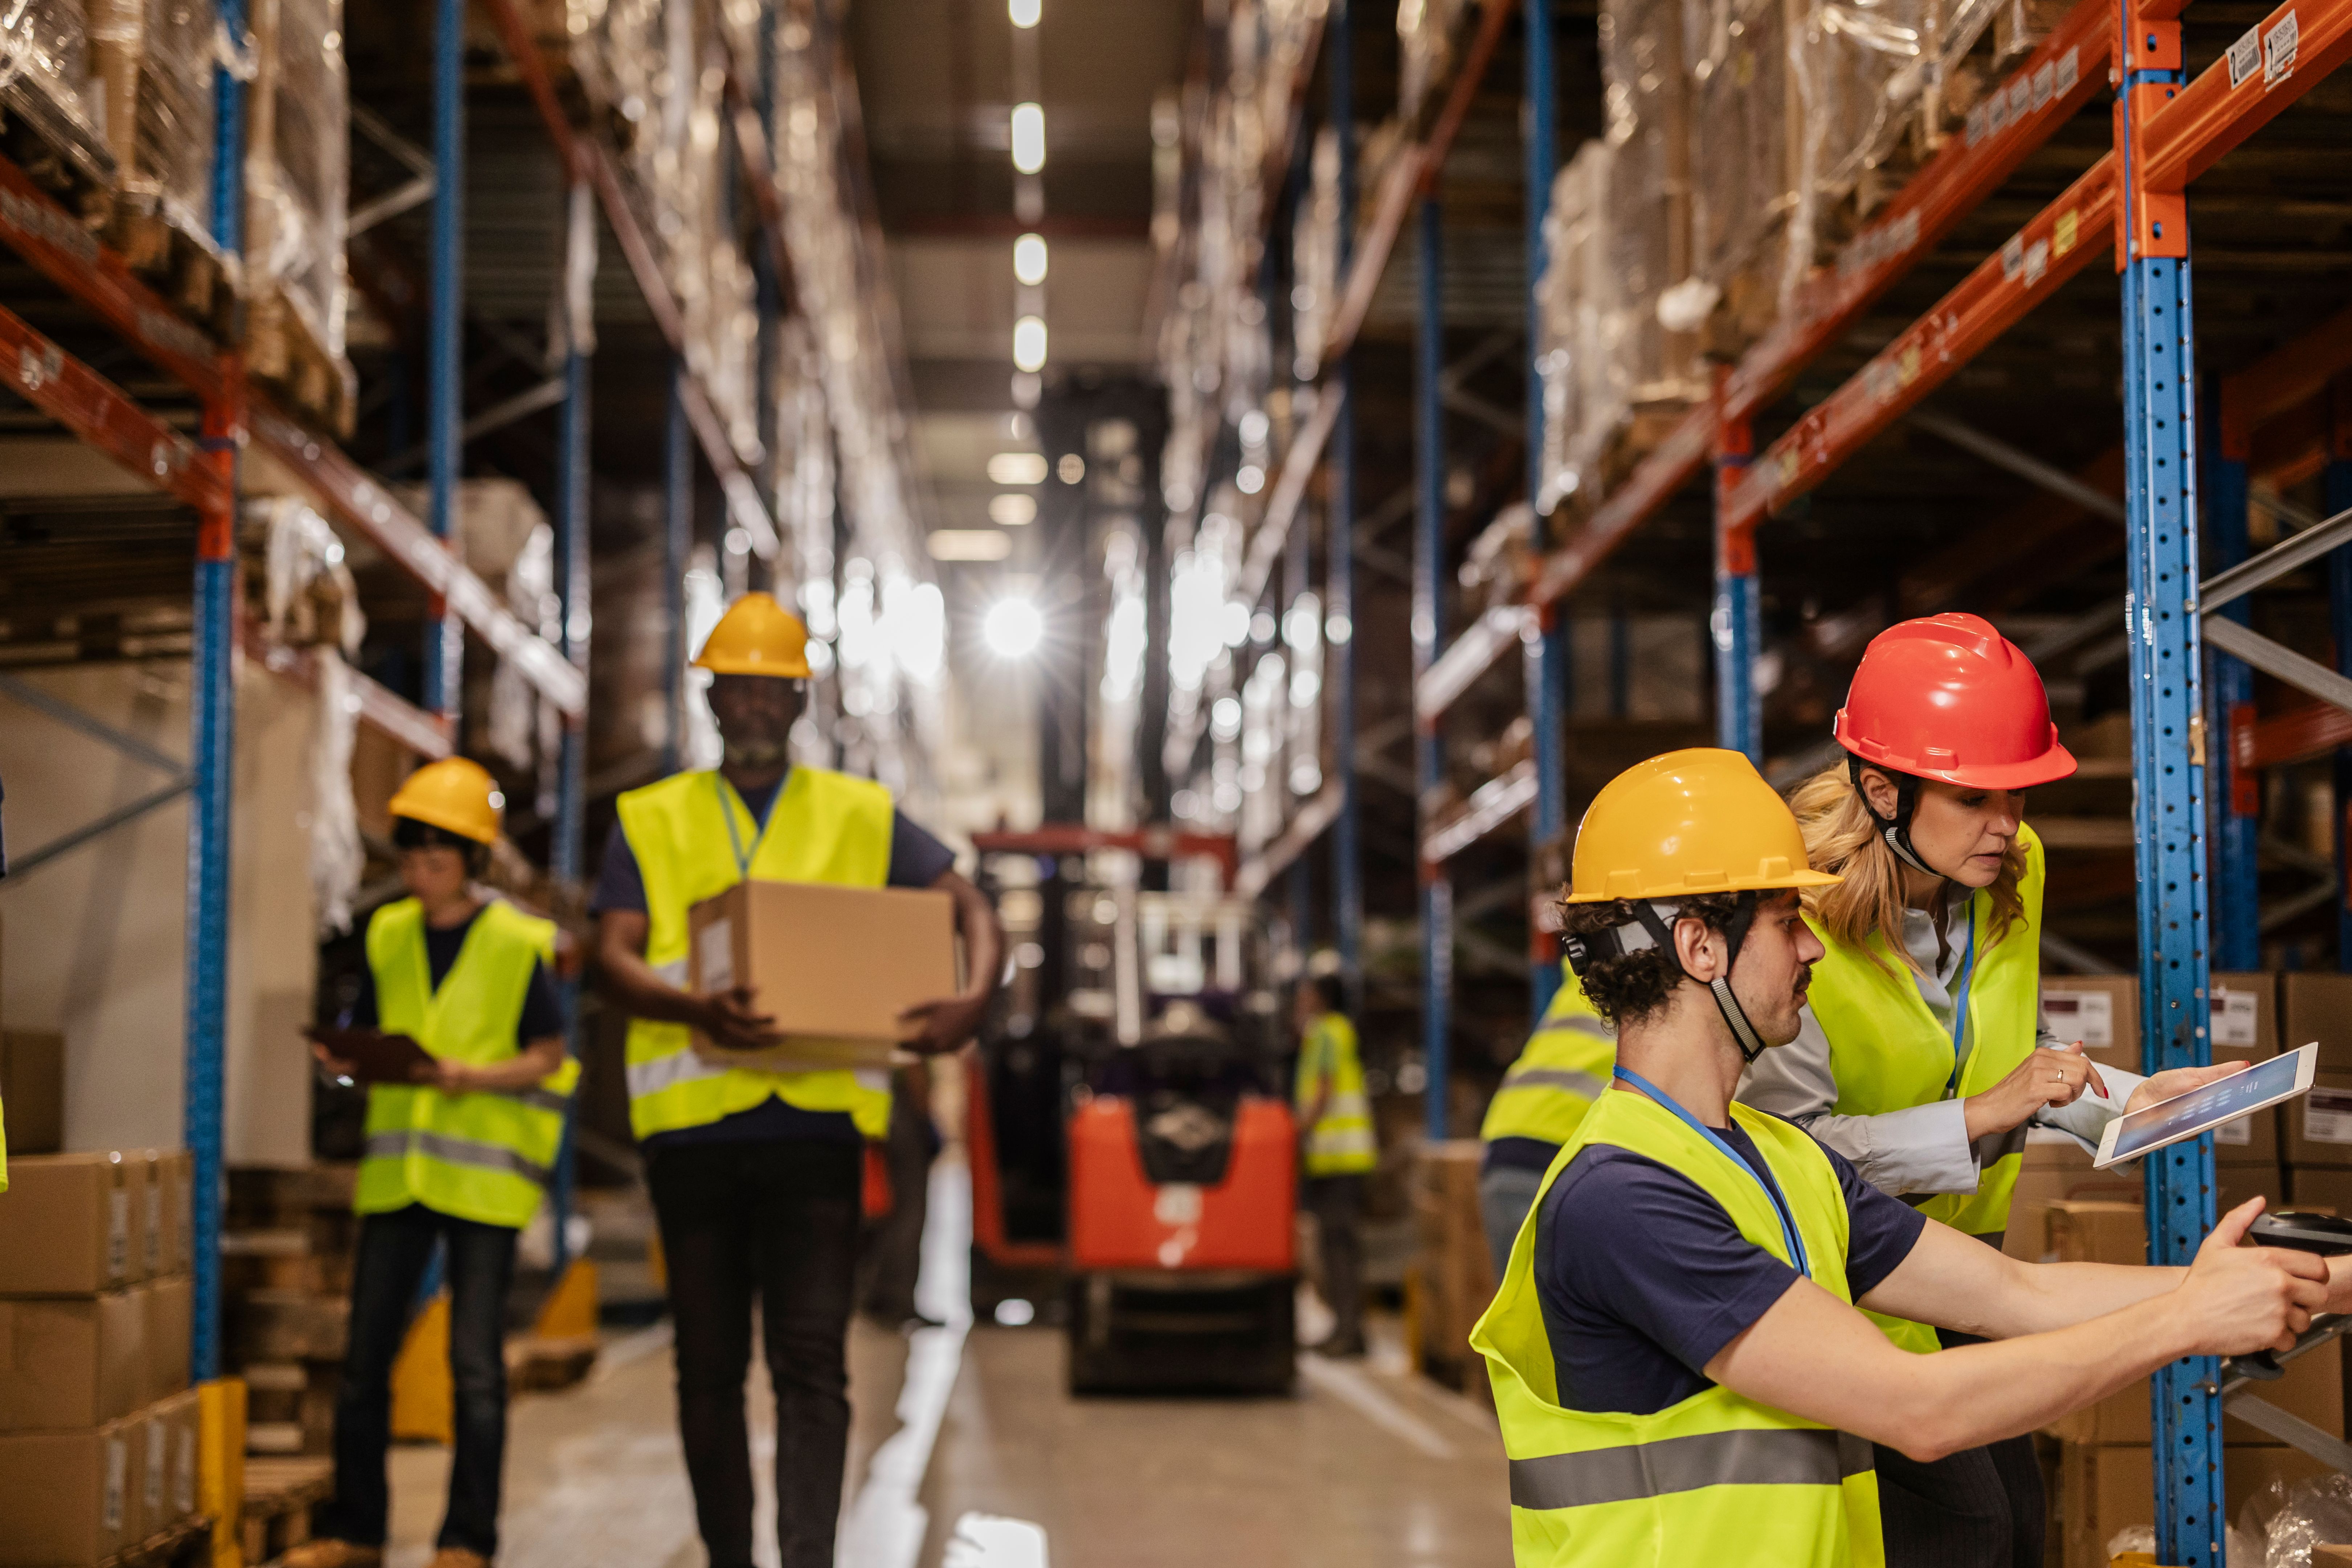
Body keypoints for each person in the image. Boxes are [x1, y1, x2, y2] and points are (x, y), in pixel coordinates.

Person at [1471, 747, 2343, 1568]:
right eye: (1785, 924)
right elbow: (1915, 1407)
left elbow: (2016, 1294)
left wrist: (2301, 1277)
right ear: (1698, 946)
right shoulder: (1622, 1197)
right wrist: (2189, 1320)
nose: (1814, 946)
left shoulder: (1780, 1159)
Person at [1740, 614, 2246, 1567]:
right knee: (1968, 1531)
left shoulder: (2010, 867)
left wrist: (2124, 1100)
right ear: (1883, 791)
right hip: (1842, 1281)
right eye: (1975, 797)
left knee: (2018, 1526)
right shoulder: (1796, 918)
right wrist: (1978, 1117)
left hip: (1966, 1266)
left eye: (2018, 795)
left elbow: (2007, 1048)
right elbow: (1783, 1154)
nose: (2007, 826)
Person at [592, 592, 1003, 1568]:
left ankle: (809, 1560)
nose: (756, 706)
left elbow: (968, 904)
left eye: (775, 689)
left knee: (812, 1364)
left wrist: (972, 998)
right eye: (739, 687)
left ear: (800, 702)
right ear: (713, 696)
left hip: (814, 1126)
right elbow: (608, 954)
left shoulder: (859, 813)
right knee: (708, 1370)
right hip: (693, 1132)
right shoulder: (653, 818)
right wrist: (694, 1009)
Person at [290, 757, 574, 1568]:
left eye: (437, 859)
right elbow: (375, 1034)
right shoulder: (387, 933)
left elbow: (549, 1054)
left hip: (481, 1182)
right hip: (399, 1176)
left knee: (475, 1370)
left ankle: (467, 1540)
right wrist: (343, 1060)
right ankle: (357, 1530)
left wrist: (469, 1077)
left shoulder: (518, 939)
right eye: (410, 857)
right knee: (364, 1360)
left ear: (475, 860)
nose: (419, 872)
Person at [1478, 967, 1613, 1277]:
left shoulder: (1582, 982)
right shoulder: (1651, 995)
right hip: (1555, 1157)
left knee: (1527, 1311)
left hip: (1505, 1144)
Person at [1293, 972, 1375, 1357]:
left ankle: (1349, 1333)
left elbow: (1323, 1089)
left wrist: (1295, 1127)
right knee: (1337, 1247)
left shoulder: (1325, 1031)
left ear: (1322, 997)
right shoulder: (1340, 1029)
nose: (1302, 1000)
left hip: (1338, 1158)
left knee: (1338, 1248)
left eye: (1307, 993)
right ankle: (1344, 1329)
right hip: (1342, 1158)